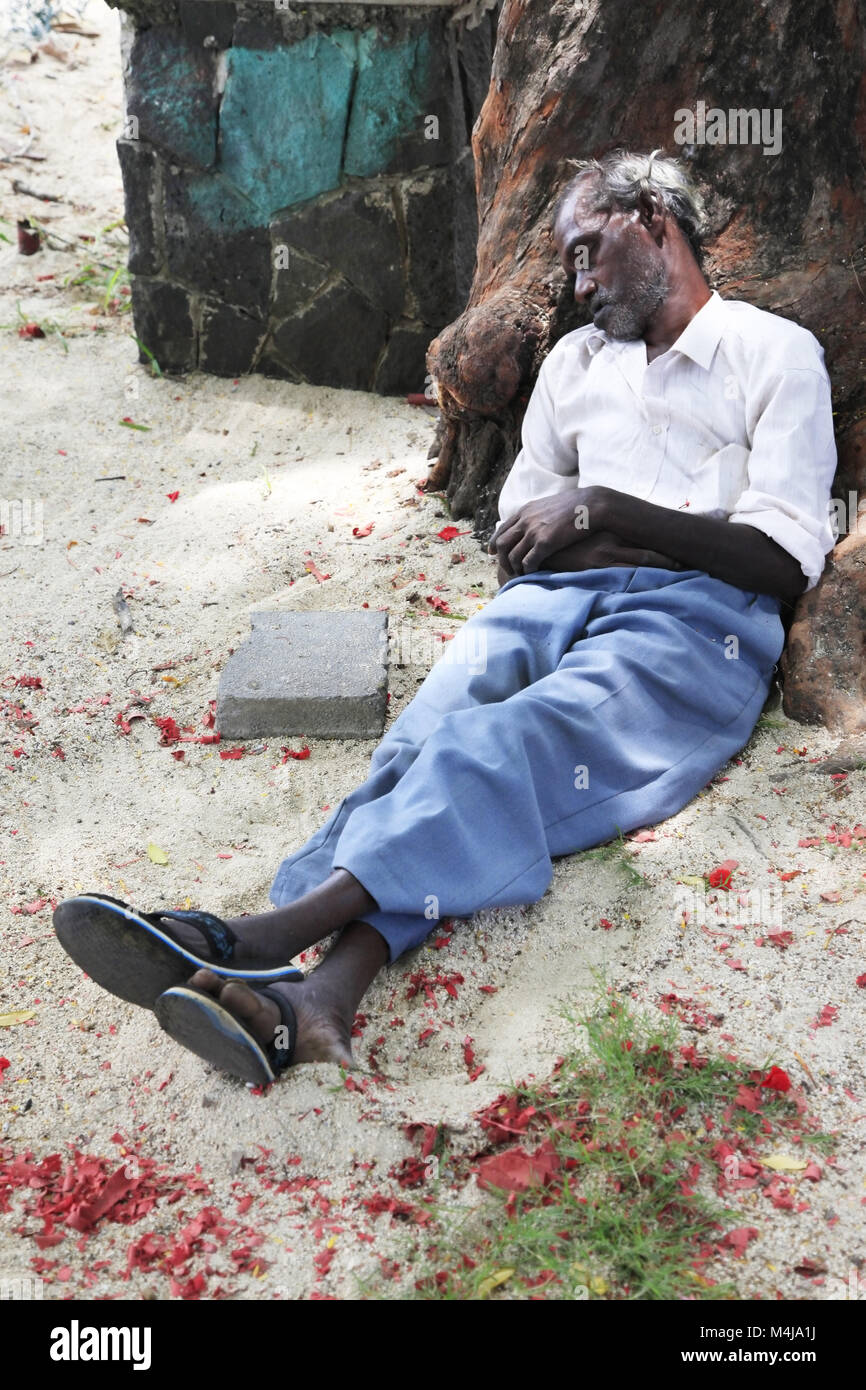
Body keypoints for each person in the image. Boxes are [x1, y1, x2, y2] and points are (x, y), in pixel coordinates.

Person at [53, 149, 837, 1086]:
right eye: (572, 264)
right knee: (424, 741)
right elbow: (523, 541)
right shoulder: (578, 365)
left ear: (654, 221)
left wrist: (606, 511)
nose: (580, 285)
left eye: (590, 253)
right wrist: (631, 531)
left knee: (500, 746)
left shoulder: (773, 353)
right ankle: (314, 999)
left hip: (696, 630)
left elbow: (780, 556)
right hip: (552, 600)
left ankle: (252, 938)